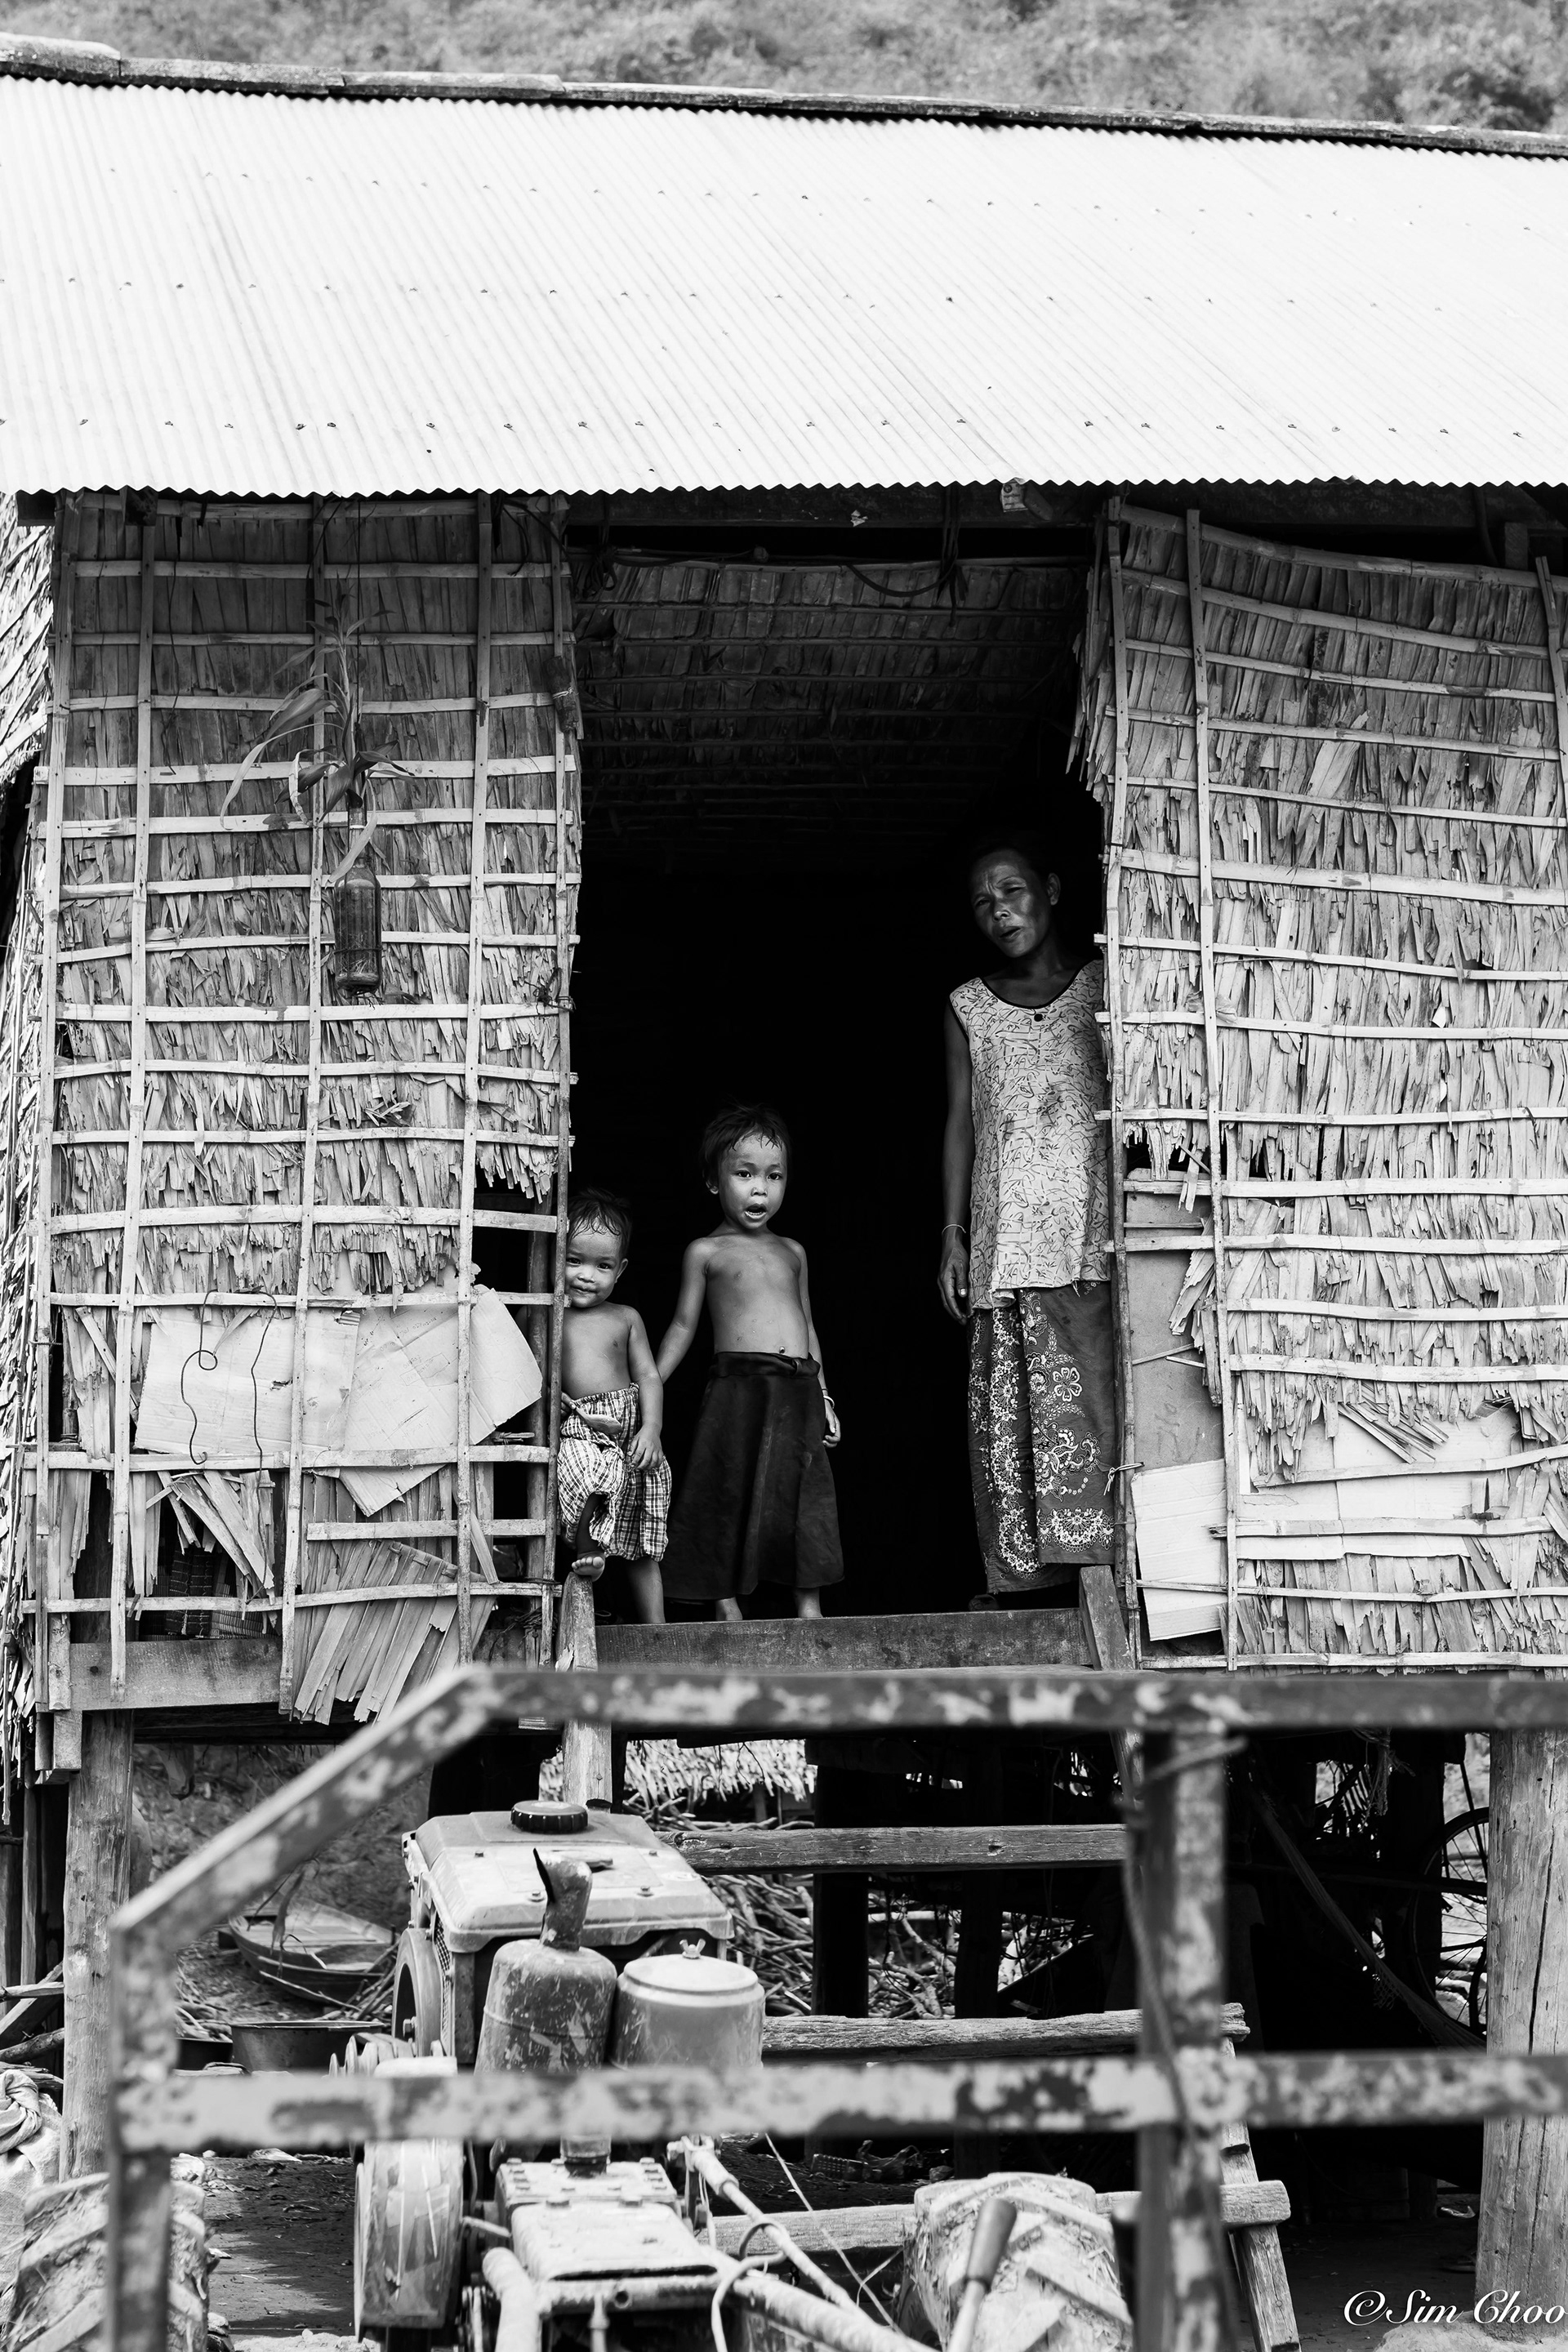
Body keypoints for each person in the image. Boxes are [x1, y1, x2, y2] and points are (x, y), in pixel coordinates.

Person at [939, 830, 1114, 1594]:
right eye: (983, 903)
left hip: (1091, 1235)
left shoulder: (1107, 984)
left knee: (1097, 1396)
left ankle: (1105, 1567)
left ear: (1051, 889)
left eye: (1011, 891)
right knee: (1013, 1411)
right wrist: (952, 1234)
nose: (1000, 911)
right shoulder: (968, 1007)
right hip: (1005, 1238)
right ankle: (1028, 1585)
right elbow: (961, 1124)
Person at [657, 1107, 843, 1621]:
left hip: (798, 1388)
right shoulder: (706, 1251)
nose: (760, 1189)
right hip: (738, 1388)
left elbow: (808, 1327)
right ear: (713, 1182)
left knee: (803, 1496)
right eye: (744, 1174)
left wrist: (825, 1396)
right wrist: (647, 1386)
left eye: (774, 1176)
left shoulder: (793, 1252)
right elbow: (683, 1326)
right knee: (725, 1488)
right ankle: (724, 1601)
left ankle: (809, 1605)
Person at [557, 1187, 669, 1624]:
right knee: (587, 1475)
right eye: (574, 1260)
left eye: (602, 1266)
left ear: (620, 1269)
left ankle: (657, 1629)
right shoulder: (547, 1315)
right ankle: (590, 1552)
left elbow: (649, 1377)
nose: (587, 1276)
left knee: (642, 1539)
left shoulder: (626, 1317)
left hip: (630, 1436)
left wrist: (652, 1429)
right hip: (581, 1428)